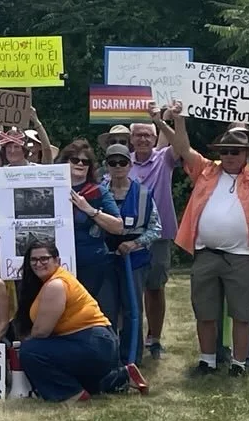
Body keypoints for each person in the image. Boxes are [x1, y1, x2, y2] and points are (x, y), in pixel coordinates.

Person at [170, 106, 249, 378]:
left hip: (242, 256)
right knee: (205, 311)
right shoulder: (206, 171)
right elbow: (183, 148)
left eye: (235, 151)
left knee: (242, 314)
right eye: (224, 151)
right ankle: (207, 360)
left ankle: (239, 364)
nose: (229, 156)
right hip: (206, 253)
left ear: (247, 154)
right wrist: (178, 119)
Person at [16, 238, 145, 400]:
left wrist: (25, 342)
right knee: (80, 378)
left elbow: (42, 331)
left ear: (57, 260)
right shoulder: (52, 281)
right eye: (33, 259)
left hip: (92, 344)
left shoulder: (55, 285)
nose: (38, 263)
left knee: (30, 351)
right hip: (100, 343)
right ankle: (123, 377)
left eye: (44, 259)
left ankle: (71, 395)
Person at [98, 142, 161, 363]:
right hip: (105, 259)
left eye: (122, 162)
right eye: (112, 162)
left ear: (130, 164)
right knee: (105, 309)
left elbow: (156, 229)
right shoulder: (98, 192)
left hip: (133, 260)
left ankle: (132, 358)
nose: (117, 167)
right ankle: (108, 356)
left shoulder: (143, 194)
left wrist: (134, 244)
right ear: (106, 165)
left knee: (132, 310)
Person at [127, 109, 180, 360]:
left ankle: (155, 338)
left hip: (159, 236)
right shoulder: (122, 162)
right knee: (131, 288)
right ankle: (132, 338)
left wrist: (161, 120)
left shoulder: (165, 159)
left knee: (155, 287)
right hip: (129, 237)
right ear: (131, 138)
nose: (143, 139)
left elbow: (181, 144)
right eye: (138, 135)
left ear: (155, 136)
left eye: (148, 135)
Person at [62, 140, 123, 321]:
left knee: (91, 314)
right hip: (59, 265)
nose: (80, 164)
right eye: (75, 159)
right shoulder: (52, 188)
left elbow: (118, 226)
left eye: (85, 161)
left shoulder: (99, 192)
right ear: (66, 162)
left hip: (92, 264)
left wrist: (90, 210)